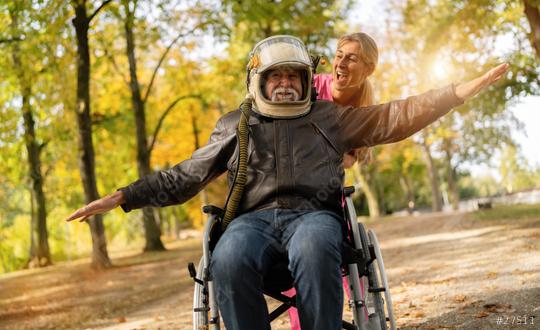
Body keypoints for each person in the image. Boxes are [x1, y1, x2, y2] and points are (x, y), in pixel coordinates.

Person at [65, 35, 508, 330]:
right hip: (250, 221)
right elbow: (186, 174)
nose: (283, 83)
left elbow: (397, 115)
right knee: (229, 257)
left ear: (304, 82)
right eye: (274, 76)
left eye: (292, 76)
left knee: (316, 248)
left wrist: (455, 93)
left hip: (313, 217)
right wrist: (124, 196)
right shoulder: (234, 124)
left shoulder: (330, 118)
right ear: (259, 81)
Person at [283, 31, 379, 329]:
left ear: (367, 69)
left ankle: (359, 307)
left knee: (341, 238)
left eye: (352, 58)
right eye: (339, 54)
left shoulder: (364, 108)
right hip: (287, 181)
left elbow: (351, 157)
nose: (342, 63)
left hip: (324, 185)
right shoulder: (311, 87)